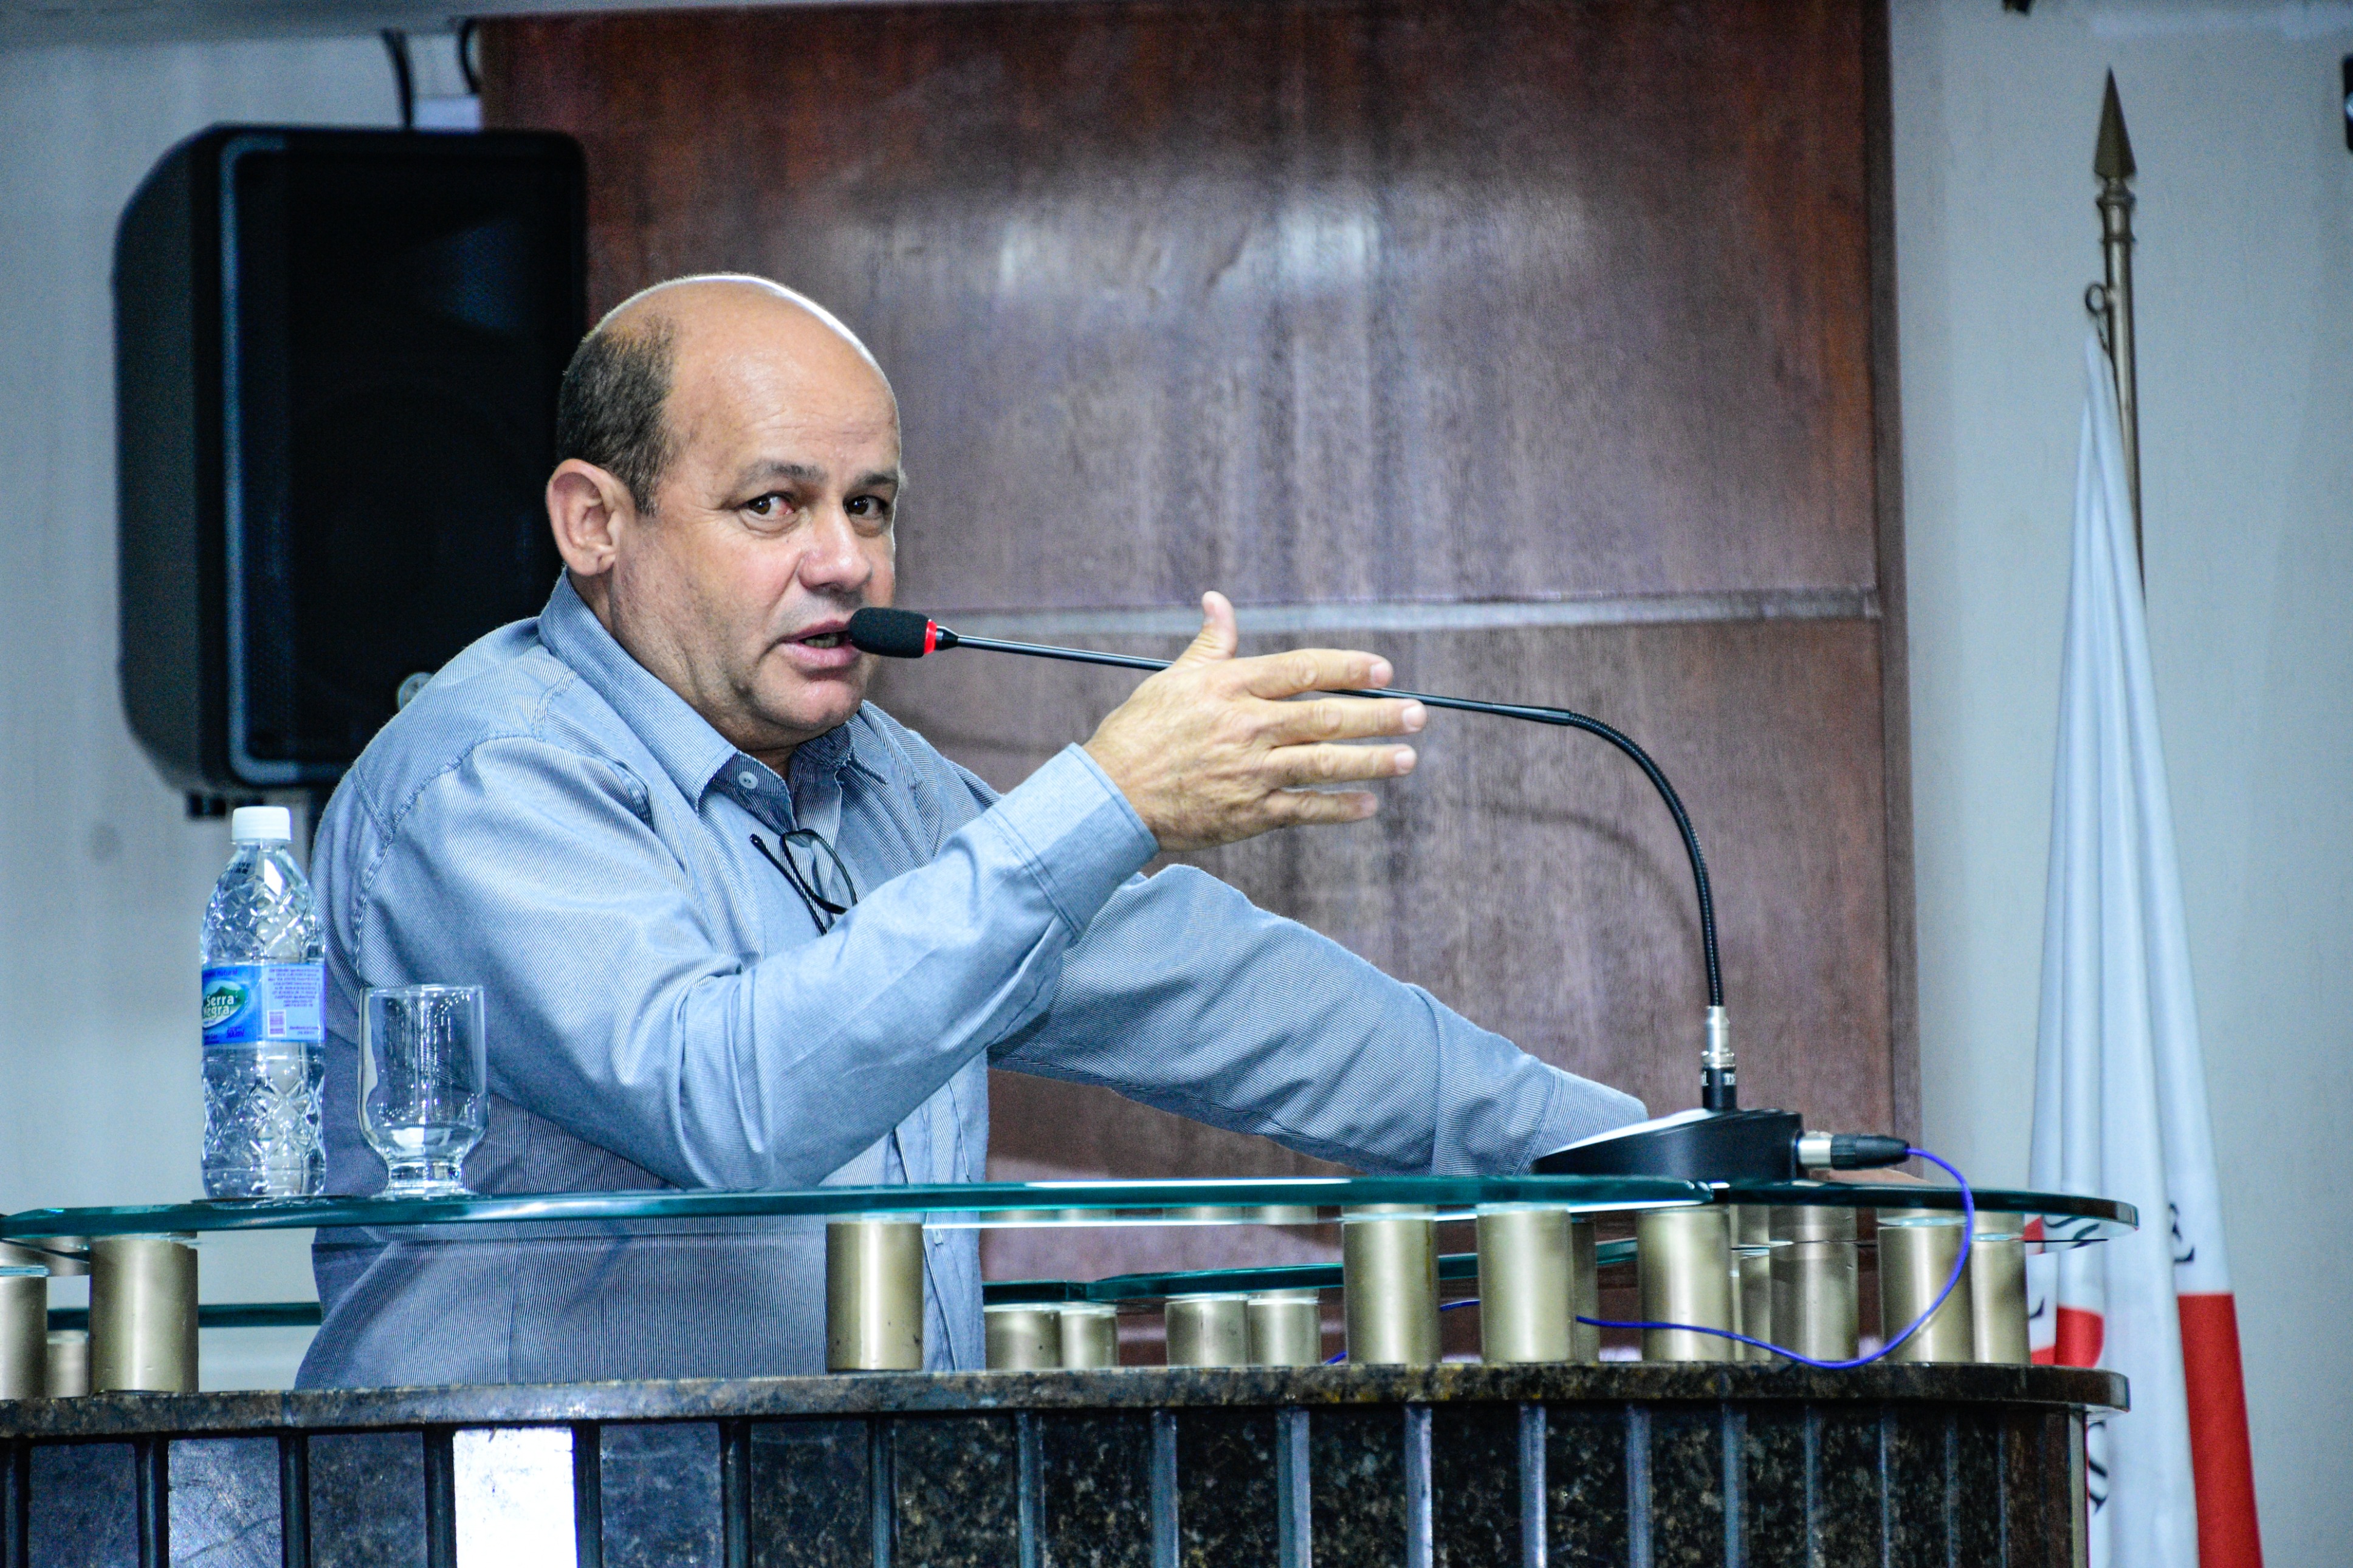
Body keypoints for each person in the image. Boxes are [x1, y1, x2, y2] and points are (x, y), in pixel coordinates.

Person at [295, 275, 1642, 1388]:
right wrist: (1109, 802)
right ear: (597, 522)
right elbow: (730, 1102)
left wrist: (1626, 1153)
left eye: (869, 505)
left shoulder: (873, 774)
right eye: (772, 505)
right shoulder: (487, 780)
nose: (844, 561)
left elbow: (1217, 995)